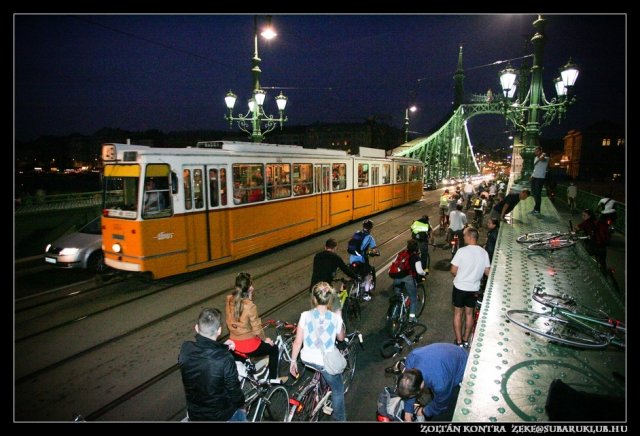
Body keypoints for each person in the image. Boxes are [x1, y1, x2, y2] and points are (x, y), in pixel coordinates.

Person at [290, 282, 347, 421]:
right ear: (330, 299)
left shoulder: (305, 315)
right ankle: (340, 419)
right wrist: (340, 321)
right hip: (324, 362)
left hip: (306, 358)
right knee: (338, 389)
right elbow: (341, 338)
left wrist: (293, 361)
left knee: (321, 370)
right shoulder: (335, 318)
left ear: (314, 299)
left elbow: (297, 342)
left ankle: (317, 388)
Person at [178, 308, 246, 421]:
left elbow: (204, 356)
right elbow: (233, 389)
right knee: (241, 414)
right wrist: (242, 405)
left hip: (194, 413)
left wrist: (224, 347)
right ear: (219, 330)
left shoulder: (185, 349)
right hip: (221, 415)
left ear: (196, 328)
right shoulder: (225, 358)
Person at [225, 272, 282, 384]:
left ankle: (247, 370)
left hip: (233, 342)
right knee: (274, 349)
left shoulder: (229, 299)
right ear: (249, 288)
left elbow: (230, 320)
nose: (253, 287)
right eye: (251, 285)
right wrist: (266, 340)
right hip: (248, 345)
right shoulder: (250, 306)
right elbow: (256, 328)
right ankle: (272, 379)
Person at [397, 343, 468, 421]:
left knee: (446, 408)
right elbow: (409, 386)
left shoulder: (440, 384)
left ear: (421, 386)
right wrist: (408, 410)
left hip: (463, 362)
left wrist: (423, 411)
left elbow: (441, 404)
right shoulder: (411, 359)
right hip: (445, 352)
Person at [450, 227, 490, 348]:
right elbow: (488, 272)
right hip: (474, 289)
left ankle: (459, 342)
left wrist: (462, 275)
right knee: (469, 314)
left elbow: (453, 271)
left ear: (470, 237)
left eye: (464, 235)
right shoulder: (484, 252)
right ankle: (466, 339)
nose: (463, 237)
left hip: (460, 288)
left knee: (458, 314)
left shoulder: (461, 251)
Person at [393, 239, 428, 322]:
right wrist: (424, 273)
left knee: (398, 296)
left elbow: (394, 263)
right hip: (408, 278)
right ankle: (411, 318)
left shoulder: (402, 253)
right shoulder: (416, 257)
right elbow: (419, 271)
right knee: (413, 299)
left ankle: (396, 311)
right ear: (416, 248)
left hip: (397, 277)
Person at [348, 219, 380, 301]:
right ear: (370, 228)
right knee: (368, 276)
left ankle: (341, 290)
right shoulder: (370, 238)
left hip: (352, 259)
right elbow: (374, 249)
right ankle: (366, 294)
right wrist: (376, 253)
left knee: (350, 275)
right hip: (361, 260)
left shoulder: (357, 233)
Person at [529, 146, 548, 216]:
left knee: (538, 194)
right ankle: (536, 208)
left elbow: (542, 159)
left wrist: (543, 154)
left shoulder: (546, 158)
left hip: (540, 178)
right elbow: (535, 168)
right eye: (535, 151)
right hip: (534, 177)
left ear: (540, 151)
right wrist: (532, 175)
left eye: (537, 151)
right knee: (533, 192)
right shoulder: (535, 158)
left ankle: (537, 210)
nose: (535, 152)